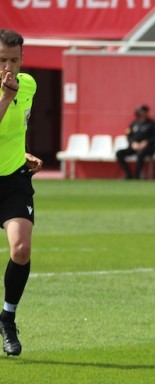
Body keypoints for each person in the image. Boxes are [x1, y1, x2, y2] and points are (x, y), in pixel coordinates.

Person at [0, 29, 41, 357]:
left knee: (22, 249)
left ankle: (8, 318)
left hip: (13, 180)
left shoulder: (28, 85)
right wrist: (4, 97)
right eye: (2, 60)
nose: (8, 66)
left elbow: (18, 127)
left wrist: (25, 153)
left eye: (14, 59)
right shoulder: (9, 90)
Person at [115, 105, 155, 180]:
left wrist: (146, 142)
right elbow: (128, 136)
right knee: (119, 153)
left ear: (146, 112)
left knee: (141, 154)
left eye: (142, 111)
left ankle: (137, 176)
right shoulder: (134, 123)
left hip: (147, 148)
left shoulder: (151, 124)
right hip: (135, 147)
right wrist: (133, 143)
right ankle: (128, 174)